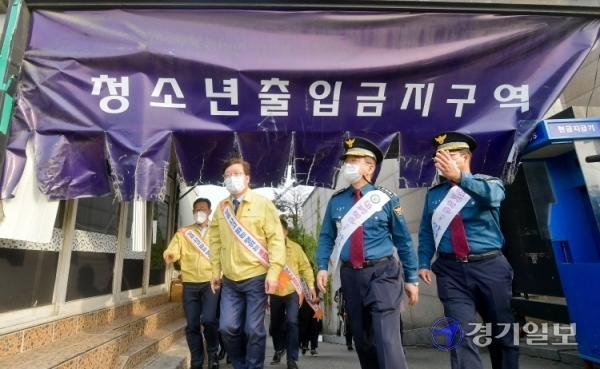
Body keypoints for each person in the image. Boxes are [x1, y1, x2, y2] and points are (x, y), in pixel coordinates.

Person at [316, 136, 419, 369]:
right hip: (351, 276)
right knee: (363, 341)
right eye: (346, 161)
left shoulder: (385, 198)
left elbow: (403, 241)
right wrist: (322, 266)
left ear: (370, 167)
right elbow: (326, 237)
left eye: (354, 160)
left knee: (385, 338)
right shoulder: (337, 201)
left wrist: (411, 278)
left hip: (383, 273)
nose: (347, 166)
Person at [417, 131, 519, 369]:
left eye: (448, 155)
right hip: (450, 270)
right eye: (438, 157)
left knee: (501, 331)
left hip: (490, 267)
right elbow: (426, 231)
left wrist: (461, 179)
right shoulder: (434, 195)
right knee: (459, 334)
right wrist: (423, 262)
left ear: (465, 157)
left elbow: (493, 198)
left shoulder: (489, 182)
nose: (441, 161)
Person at [209, 158, 287, 369]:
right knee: (227, 328)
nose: (231, 178)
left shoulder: (263, 204)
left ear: (247, 178)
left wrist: (273, 273)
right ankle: (242, 365)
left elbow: (276, 240)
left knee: (253, 330)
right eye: (227, 175)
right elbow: (214, 242)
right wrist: (215, 271)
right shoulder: (221, 207)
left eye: (236, 174)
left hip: (256, 277)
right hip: (231, 281)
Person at [164, 198, 220, 369]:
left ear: (209, 212)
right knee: (192, 325)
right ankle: (197, 361)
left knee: (210, 320)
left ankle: (212, 352)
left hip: (211, 281)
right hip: (189, 283)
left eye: (202, 209)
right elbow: (173, 248)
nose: (198, 212)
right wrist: (170, 254)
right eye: (195, 209)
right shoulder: (184, 232)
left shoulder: (218, 232)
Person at [269, 218, 317, 369]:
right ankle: (279, 348)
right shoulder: (267, 248)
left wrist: (310, 286)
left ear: (286, 232)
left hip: (291, 292)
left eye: (280, 230)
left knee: (292, 322)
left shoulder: (295, 248)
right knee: (275, 324)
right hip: (274, 292)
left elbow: (306, 268)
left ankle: (292, 358)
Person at [298, 283, 322, 357]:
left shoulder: (318, 274)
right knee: (303, 325)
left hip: (315, 305)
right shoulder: (301, 276)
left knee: (315, 326)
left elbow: (323, 286)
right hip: (303, 304)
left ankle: (313, 348)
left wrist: (319, 297)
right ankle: (304, 344)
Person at [334, 287, 354, 351]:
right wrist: (336, 299)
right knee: (347, 326)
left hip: (353, 309)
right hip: (343, 310)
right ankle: (349, 343)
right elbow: (336, 297)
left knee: (353, 326)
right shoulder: (340, 290)